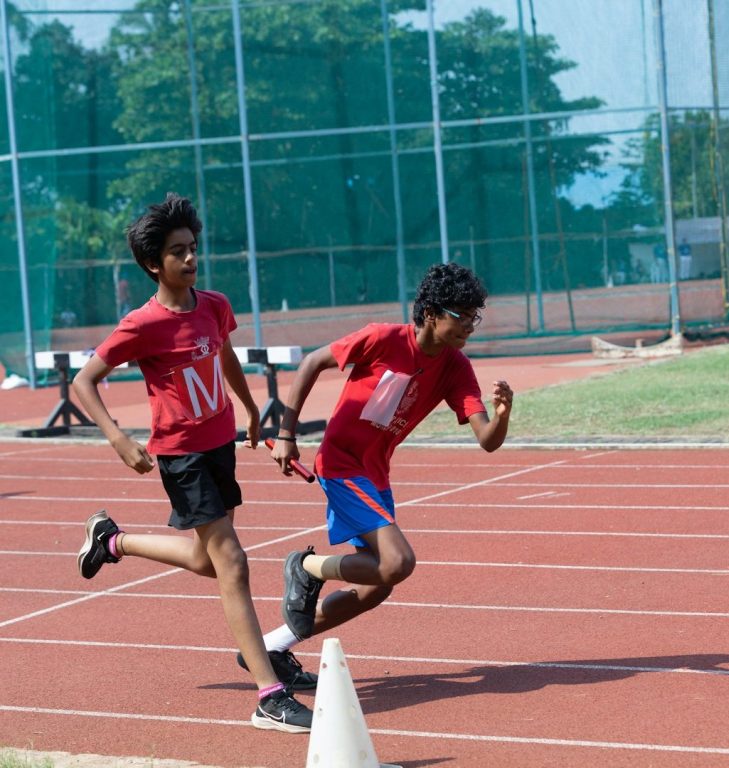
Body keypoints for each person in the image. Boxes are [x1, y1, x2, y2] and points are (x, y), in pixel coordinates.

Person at [71, 193, 312, 734]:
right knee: (233, 563)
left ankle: (113, 541)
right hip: (181, 457)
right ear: (153, 264)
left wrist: (251, 409)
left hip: (220, 445)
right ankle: (269, 694)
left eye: (193, 248)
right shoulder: (141, 324)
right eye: (177, 251)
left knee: (210, 562)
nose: (190, 258)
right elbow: (84, 382)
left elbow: (224, 355)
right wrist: (117, 438)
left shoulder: (215, 305)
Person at [236, 262, 513, 676]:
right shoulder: (382, 338)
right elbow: (311, 362)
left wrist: (503, 414)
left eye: (475, 317)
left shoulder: (456, 367)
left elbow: (487, 439)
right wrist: (287, 434)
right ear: (431, 313)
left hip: (375, 473)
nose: (470, 326)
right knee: (398, 562)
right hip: (340, 464)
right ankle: (306, 566)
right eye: (462, 316)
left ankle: (271, 648)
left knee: (378, 586)